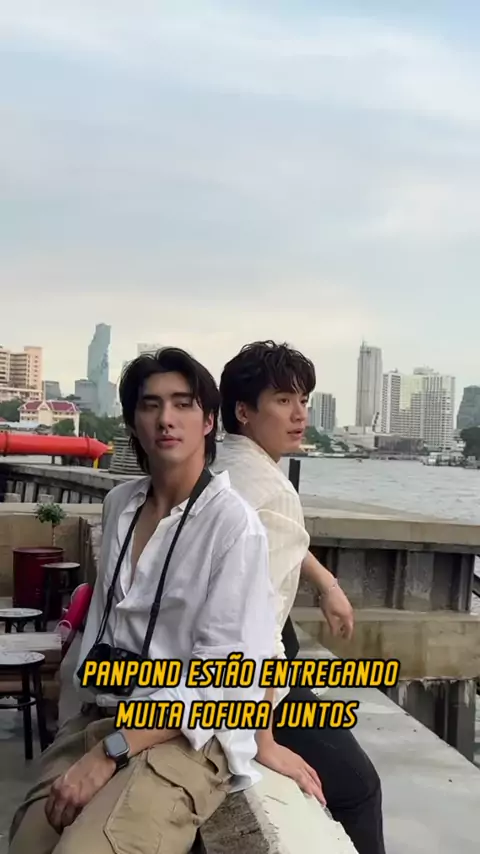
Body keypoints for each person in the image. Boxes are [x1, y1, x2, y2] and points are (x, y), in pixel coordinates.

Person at [9, 347, 276, 854]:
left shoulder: (233, 525)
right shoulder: (120, 504)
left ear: (208, 421)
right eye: (150, 405)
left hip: (185, 736)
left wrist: (111, 751)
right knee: (27, 842)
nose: (166, 418)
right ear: (134, 422)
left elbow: (227, 677)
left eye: (182, 403)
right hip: (103, 712)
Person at [215, 340, 386, 854]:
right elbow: (260, 627)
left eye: (304, 400)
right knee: (359, 787)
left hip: (208, 669)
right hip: (248, 682)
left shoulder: (219, 465)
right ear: (243, 411)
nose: (300, 415)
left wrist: (325, 582)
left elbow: (277, 539)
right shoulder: (272, 489)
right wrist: (263, 740)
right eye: (283, 400)